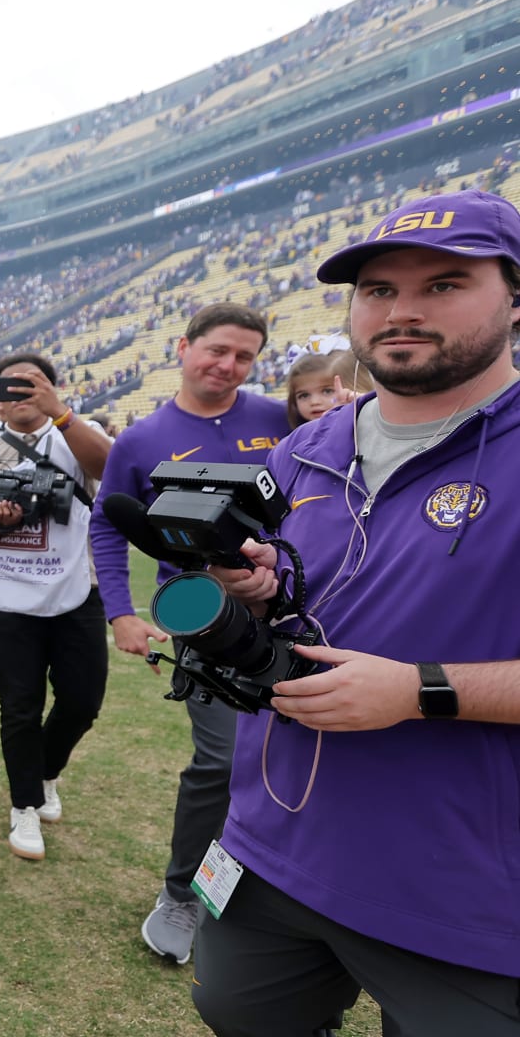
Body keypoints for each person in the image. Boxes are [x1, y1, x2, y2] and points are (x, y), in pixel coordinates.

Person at [193, 189, 520, 1034]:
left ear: (515, 296)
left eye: (444, 285)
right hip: (274, 848)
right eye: (378, 289)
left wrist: (423, 691)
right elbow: (304, 598)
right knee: (235, 1011)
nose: (402, 310)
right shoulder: (307, 447)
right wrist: (261, 589)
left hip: (466, 894)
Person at [89, 302, 290, 965]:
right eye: (217, 351)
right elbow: (106, 526)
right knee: (223, 759)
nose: (228, 367)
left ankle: (278, 894)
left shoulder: (277, 418)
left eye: (244, 357)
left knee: (293, 758)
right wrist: (119, 611)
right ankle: (183, 895)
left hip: (298, 612)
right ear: (182, 347)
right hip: (202, 617)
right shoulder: (142, 439)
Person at [0, 354, 111, 860]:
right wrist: (0, 524)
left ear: (52, 388)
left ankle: (44, 772)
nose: (19, 395)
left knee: (82, 702)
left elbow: (111, 466)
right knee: (18, 707)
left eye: (32, 385)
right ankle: (24, 803)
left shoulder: (73, 438)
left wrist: (61, 413)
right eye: (9, 387)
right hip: (5, 597)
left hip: (73, 593)